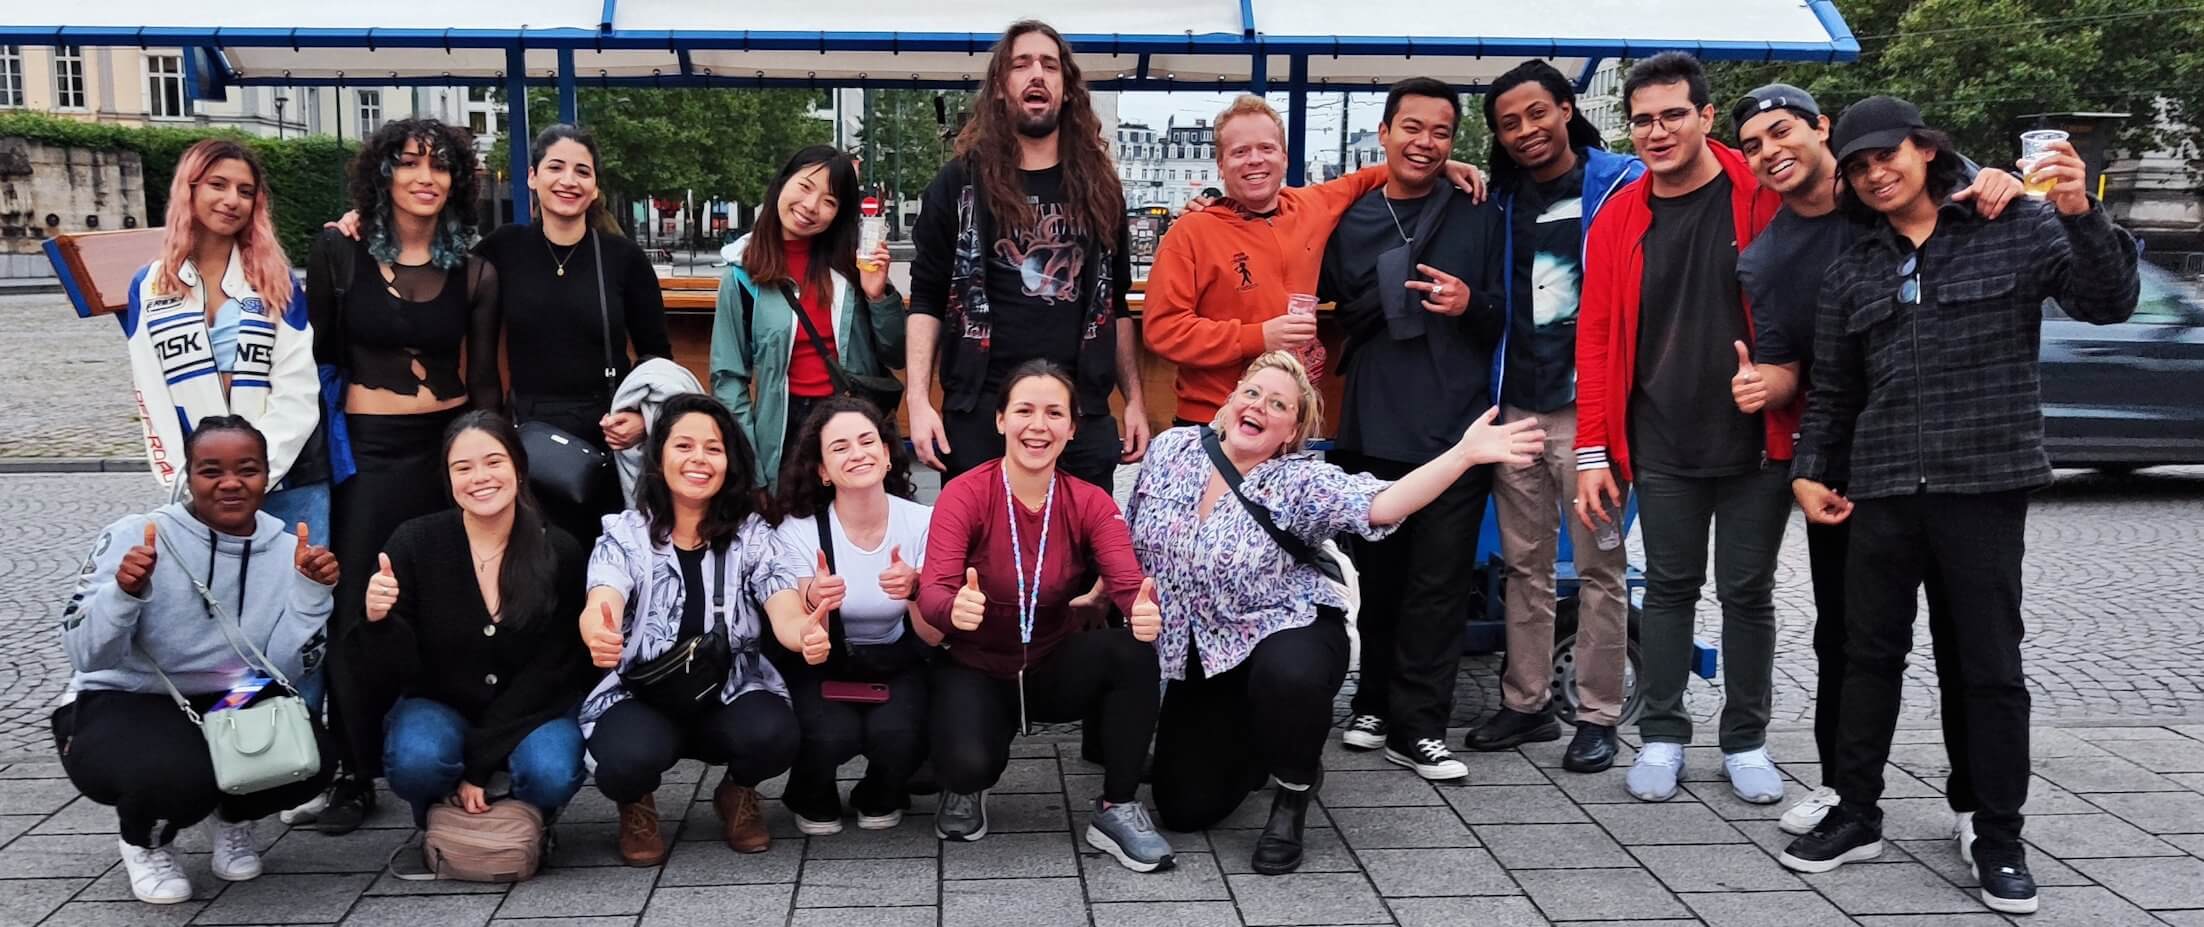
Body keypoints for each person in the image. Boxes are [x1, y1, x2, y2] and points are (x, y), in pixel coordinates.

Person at [1776, 98, 2139, 917]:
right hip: (1882, 488)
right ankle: (1856, 812)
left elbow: (2107, 299)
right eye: (1859, 166)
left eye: (1886, 156)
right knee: (1867, 657)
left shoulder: (2015, 226)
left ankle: (1996, 831)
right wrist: (1808, 472)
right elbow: (1833, 392)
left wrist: (2080, 210)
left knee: (1987, 667)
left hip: (1984, 484)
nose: (1874, 174)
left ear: (1925, 150)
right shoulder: (1853, 270)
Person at [1728, 84, 2023, 841]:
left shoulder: (1965, 209)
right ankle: (1844, 789)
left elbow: (2074, 269)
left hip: (1967, 468)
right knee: (1851, 640)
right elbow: (1810, 368)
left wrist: (2008, 181)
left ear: (1821, 129)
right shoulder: (1770, 257)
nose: (1770, 152)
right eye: (1755, 144)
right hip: (1853, 474)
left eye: (1782, 131)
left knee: (1973, 646)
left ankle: (1976, 807)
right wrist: (1783, 411)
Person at [1132, 352, 1542, 872]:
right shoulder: (1173, 450)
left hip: (1287, 629)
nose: (1260, 406)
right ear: (1230, 400)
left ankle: (1293, 789)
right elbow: (1132, 535)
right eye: (1253, 393)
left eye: (1279, 404)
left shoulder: (1301, 480)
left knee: (1289, 676)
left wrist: (1462, 455)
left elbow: (1384, 504)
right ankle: (1256, 740)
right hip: (1206, 653)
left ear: (1291, 431)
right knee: (1184, 809)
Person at [1572, 52, 1790, 806]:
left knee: (1748, 590)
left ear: (1704, 114)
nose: (1657, 131)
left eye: (1672, 114)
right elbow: (1595, 336)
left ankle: (1746, 738)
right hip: (1658, 433)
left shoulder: (1760, 191)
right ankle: (1663, 732)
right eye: (1642, 119)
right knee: (1667, 587)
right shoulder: (1620, 216)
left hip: (1756, 434)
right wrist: (1593, 450)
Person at [56, 416, 339, 905]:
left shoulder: (286, 547)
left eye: (246, 469)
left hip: (230, 691)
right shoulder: (134, 534)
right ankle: (144, 841)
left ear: (266, 475)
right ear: (189, 475)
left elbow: (283, 672)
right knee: (176, 775)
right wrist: (125, 593)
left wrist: (313, 595)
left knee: (310, 757)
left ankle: (232, 816)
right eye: (211, 471)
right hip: (127, 693)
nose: (231, 483)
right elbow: (86, 654)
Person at [308, 118, 501, 834]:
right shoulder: (339, 250)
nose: (426, 176)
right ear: (382, 173)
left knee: (450, 597)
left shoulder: (474, 269)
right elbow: (324, 358)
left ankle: (450, 746)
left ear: (457, 182)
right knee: (359, 601)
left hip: (449, 447)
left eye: (441, 166)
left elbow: (483, 381)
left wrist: (491, 463)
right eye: (410, 162)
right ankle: (354, 771)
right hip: (372, 445)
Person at [1312, 78, 1507, 781]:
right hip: (1373, 419)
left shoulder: (1480, 212)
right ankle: (1371, 701)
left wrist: (1469, 301)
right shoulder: (1352, 218)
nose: (1427, 143)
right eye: (1413, 128)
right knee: (1382, 574)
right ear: (1385, 133)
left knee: (1440, 579)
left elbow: (1506, 314)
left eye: (1442, 132)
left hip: (1457, 425)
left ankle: (1419, 725)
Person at [917, 360, 1171, 872]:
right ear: (1001, 421)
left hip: (1052, 660)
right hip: (977, 666)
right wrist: (953, 608)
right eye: (1025, 411)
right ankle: (964, 785)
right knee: (968, 765)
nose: (1039, 426)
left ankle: (1118, 807)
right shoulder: (964, 493)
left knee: (1131, 652)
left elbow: (1126, 581)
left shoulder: (1091, 500)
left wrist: (1141, 610)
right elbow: (933, 593)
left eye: (1055, 413)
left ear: (1073, 427)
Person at [1465, 61, 1642, 772]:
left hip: (1589, 407)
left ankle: (1597, 713)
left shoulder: (1621, 183)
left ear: (1567, 108)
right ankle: (1527, 700)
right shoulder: (1502, 196)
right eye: (1509, 124)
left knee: (1600, 565)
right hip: (1519, 404)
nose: (1526, 132)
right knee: (1523, 565)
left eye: (1537, 114)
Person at [905, 20, 1152, 492]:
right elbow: (926, 299)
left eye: (1049, 65)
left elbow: (1116, 305)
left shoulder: (1100, 188)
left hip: (1080, 412)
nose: (1036, 74)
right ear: (1000, 87)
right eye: (1021, 64)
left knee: (1081, 558)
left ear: (1066, 88)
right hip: (982, 411)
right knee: (980, 557)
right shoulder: (958, 184)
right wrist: (919, 401)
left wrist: (1135, 400)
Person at [578, 393, 824, 866]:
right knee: (625, 758)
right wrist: (597, 632)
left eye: (713, 448)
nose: (699, 459)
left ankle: (736, 793)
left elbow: (785, 607)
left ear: (730, 461)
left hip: (728, 689)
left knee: (776, 735)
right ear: (658, 457)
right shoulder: (625, 533)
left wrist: (803, 634)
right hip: (642, 692)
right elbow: (602, 598)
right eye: (683, 446)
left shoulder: (753, 535)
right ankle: (636, 804)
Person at [1142, 95, 1485, 427]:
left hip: (1287, 421)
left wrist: (1439, 166)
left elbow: (1365, 179)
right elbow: (1163, 330)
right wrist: (1257, 336)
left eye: (1266, 148)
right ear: (1220, 164)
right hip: (1214, 421)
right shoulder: (1190, 231)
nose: (1255, 160)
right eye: (1239, 152)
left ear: (1285, 157)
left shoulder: (1312, 204)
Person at [366, 411, 592, 833]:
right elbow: (392, 672)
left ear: (518, 468)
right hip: (440, 701)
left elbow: (557, 668)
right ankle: (442, 814)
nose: (479, 477)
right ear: (448, 478)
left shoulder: (558, 549)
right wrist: (379, 620)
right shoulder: (414, 542)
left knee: (551, 771)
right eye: (462, 468)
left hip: (535, 708)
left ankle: (527, 821)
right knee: (418, 761)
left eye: (493, 461)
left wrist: (479, 764)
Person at [121, 140, 329, 540]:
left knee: (297, 595)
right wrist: (188, 479)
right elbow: (151, 393)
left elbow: (299, 390)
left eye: (245, 191)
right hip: (203, 490)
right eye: (218, 185)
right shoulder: (149, 286)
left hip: (289, 482)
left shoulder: (277, 282)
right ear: (190, 188)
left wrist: (253, 473)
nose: (232, 200)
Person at [477, 125, 674, 543]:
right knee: (536, 562)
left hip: (606, 432)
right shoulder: (504, 248)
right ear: (532, 177)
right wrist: (363, 225)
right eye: (556, 167)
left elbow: (657, 356)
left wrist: (641, 419)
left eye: (582, 171)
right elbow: (432, 268)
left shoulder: (622, 258)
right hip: (528, 433)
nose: (569, 180)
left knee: (605, 561)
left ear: (595, 186)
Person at [768, 397, 941, 833]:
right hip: (821, 663)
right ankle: (810, 790)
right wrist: (812, 597)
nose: (858, 453)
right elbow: (792, 615)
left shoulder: (924, 523)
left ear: (887, 455)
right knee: (832, 734)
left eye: (868, 441)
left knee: (899, 733)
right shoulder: (798, 530)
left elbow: (933, 637)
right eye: (840, 447)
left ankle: (881, 789)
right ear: (822, 470)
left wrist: (917, 589)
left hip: (897, 658)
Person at [712, 146, 906, 488]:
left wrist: (877, 295)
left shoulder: (851, 266)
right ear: (783, 182)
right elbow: (728, 379)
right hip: (784, 430)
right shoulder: (743, 275)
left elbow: (896, 354)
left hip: (851, 425)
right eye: (804, 187)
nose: (811, 206)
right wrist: (751, 464)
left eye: (829, 201)